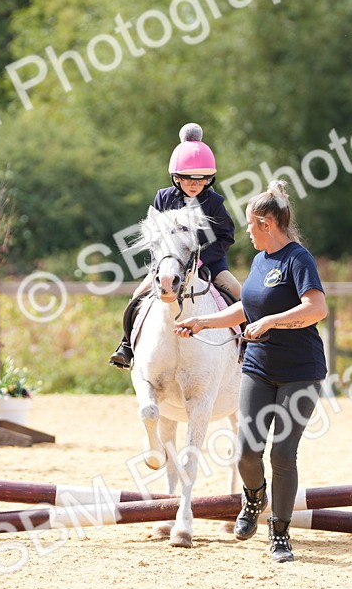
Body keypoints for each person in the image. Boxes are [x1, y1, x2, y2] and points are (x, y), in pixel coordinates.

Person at [172, 180, 327, 562]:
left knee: (282, 454)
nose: (246, 232)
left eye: (249, 225)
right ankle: (254, 498)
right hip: (258, 367)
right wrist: (203, 322)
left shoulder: (298, 259)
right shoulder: (259, 261)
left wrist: (272, 322)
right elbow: (246, 309)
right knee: (245, 451)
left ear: (266, 224)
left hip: (300, 372)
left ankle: (280, 532)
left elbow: (316, 308)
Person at [108, 122, 242, 369]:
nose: (195, 184)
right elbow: (154, 234)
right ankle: (126, 346)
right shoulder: (164, 198)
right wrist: (164, 261)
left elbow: (226, 236)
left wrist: (201, 259)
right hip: (169, 263)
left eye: (202, 180)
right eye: (188, 179)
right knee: (136, 296)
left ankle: (248, 347)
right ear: (176, 177)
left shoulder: (214, 202)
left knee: (238, 293)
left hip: (210, 263)